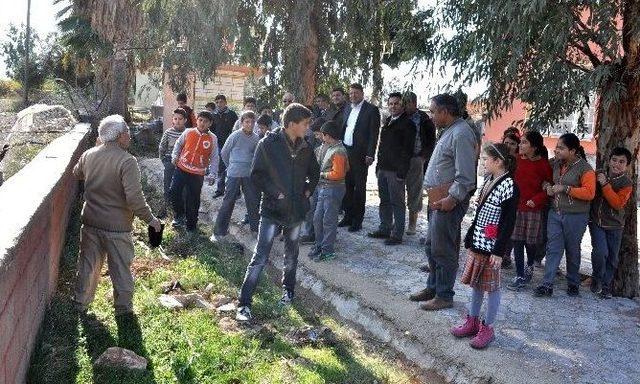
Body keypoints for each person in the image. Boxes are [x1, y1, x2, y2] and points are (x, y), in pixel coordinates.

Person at [236, 103, 320, 322]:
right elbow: (256, 175)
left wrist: (307, 192)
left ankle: (288, 293)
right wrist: (276, 193)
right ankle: (244, 304)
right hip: (272, 210)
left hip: (296, 212)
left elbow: (315, 172)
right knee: (260, 256)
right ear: (292, 124)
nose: (307, 128)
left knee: (292, 255)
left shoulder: (306, 147)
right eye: (305, 124)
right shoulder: (268, 144)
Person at [72, 115, 162, 315]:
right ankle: (123, 309)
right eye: (127, 133)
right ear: (120, 136)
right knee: (120, 269)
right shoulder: (127, 161)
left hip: (91, 221)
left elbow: (76, 173)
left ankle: (80, 303)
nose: (130, 136)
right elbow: (135, 199)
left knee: (87, 265)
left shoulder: (89, 154)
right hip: (117, 227)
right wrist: (151, 220)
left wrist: (97, 149)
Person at [409, 94, 477, 311]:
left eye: (433, 111)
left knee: (444, 249)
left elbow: (466, 175)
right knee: (431, 247)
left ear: (445, 112)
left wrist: (453, 198)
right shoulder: (450, 131)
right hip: (437, 199)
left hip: (448, 201)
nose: (431, 115)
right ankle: (433, 287)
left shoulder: (462, 133)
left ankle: (444, 295)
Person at [451, 143, 518, 350]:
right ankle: (472, 321)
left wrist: (499, 251)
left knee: (492, 287)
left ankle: (487, 328)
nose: (483, 163)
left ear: (498, 161)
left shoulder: (509, 186)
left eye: (486, 160)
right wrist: (471, 236)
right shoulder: (489, 179)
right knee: (477, 284)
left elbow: (508, 222)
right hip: (480, 243)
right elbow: (480, 212)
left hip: (492, 248)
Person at [534, 133, 596, 297]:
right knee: (553, 248)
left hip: (576, 216)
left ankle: (573, 283)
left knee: (572, 249)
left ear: (573, 151)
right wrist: (546, 185)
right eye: (557, 147)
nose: (557, 150)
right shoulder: (555, 163)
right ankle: (547, 284)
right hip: (555, 213)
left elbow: (590, 193)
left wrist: (566, 189)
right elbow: (544, 178)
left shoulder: (585, 169)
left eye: (561, 148)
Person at [506, 131, 552, 291]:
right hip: (517, 207)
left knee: (530, 242)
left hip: (533, 210)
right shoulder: (516, 160)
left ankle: (530, 264)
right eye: (521, 142)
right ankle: (519, 274)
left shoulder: (543, 165)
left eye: (524, 143)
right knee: (517, 240)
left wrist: (537, 199)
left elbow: (548, 188)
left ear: (534, 146)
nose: (520, 145)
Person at [367, 92, 415, 245]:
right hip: (383, 168)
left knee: (397, 202)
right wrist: (378, 167)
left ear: (402, 105)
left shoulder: (408, 124)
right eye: (391, 103)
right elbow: (382, 146)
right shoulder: (388, 121)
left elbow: (407, 151)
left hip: (396, 171)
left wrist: (402, 172)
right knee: (384, 200)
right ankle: (384, 228)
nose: (393, 106)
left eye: (396, 103)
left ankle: (397, 234)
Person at [589, 147, 633, 298]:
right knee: (600, 252)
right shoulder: (598, 173)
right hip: (597, 222)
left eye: (622, 162)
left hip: (615, 225)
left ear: (627, 165)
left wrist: (605, 185)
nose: (617, 164)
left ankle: (606, 287)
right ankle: (596, 279)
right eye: (614, 160)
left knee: (612, 258)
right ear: (609, 160)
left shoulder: (626, 183)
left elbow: (618, 203)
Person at [211, 111, 260, 241]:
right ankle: (219, 231)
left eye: (252, 122)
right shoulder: (235, 135)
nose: (249, 124)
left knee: (252, 202)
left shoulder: (256, 138)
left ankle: (255, 229)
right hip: (234, 173)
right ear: (242, 122)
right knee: (228, 201)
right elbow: (224, 153)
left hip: (249, 174)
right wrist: (231, 166)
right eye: (247, 122)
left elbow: (256, 156)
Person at [339, 83, 381, 232]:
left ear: (362, 93)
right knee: (347, 186)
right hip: (345, 152)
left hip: (361, 155)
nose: (353, 96)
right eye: (350, 93)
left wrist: (370, 153)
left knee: (359, 188)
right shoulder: (347, 108)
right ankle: (348, 216)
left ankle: (357, 220)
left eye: (356, 93)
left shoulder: (371, 110)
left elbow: (373, 134)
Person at [170, 110, 219, 232]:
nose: (202, 123)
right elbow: (178, 144)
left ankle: (191, 226)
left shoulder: (213, 138)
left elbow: (214, 157)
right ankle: (179, 215)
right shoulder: (188, 132)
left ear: (210, 123)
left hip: (197, 174)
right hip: (181, 168)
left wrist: (213, 174)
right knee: (173, 191)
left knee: (193, 200)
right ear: (197, 120)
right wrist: (174, 156)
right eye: (200, 120)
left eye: (205, 121)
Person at [309, 120, 349, 261]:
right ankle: (319, 245)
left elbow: (338, 174)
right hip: (324, 188)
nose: (321, 137)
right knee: (317, 218)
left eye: (322, 135)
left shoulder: (338, 150)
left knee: (329, 221)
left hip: (333, 188)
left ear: (328, 135)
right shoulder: (330, 147)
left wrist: (322, 175)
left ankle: (328, 251)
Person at [403, 91, 436, 236]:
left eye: (408, 103)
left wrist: (423, 157)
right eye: (404, 103)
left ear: (415, 103)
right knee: (397, 192)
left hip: (416, 159)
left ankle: (412, 223)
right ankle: (397, 222)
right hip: (400, 160)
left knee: (414, 192)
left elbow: (431, 141)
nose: (406, 106)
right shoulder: (400, 117)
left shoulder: (424, 119)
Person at [300, 117, 327, 244]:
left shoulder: (332, 148)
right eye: (315, 134)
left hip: (325, 184)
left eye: (318, 134)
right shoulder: (317, 147)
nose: (316, 137)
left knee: (320, 212)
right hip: (316, 183)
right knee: (311, 208)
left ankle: (318, 236)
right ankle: (310, 233)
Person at [158, 108, 188, 220]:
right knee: (168, 185)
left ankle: (182, 211)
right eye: (175, 118)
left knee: (183, 188)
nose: (177, 121)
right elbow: (162, 147)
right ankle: (166, 207)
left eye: (180, 119)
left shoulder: (188, 133)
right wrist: (164, 161)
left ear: (185, 120)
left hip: (183, 164)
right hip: (170, 161)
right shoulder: (168, 132)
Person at [499, 131, 521, 269]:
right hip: (498, 195)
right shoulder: (498, 158)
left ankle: (506, 255)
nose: (509, 146)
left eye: (512, 144)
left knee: (509, 226)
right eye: (506, 142)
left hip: (513, 197)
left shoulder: (520, 161)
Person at [210, 94, 239, 198]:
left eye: (221, 102)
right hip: (218, 144)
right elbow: (211, 130)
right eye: (217, 102)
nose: (219, 104)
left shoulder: (232, 114)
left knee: (233, 166)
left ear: (225, 102)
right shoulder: (213, 115)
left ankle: (236, 192)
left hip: (231, 145)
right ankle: (220, 190)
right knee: (221, 167)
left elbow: (236, 129)